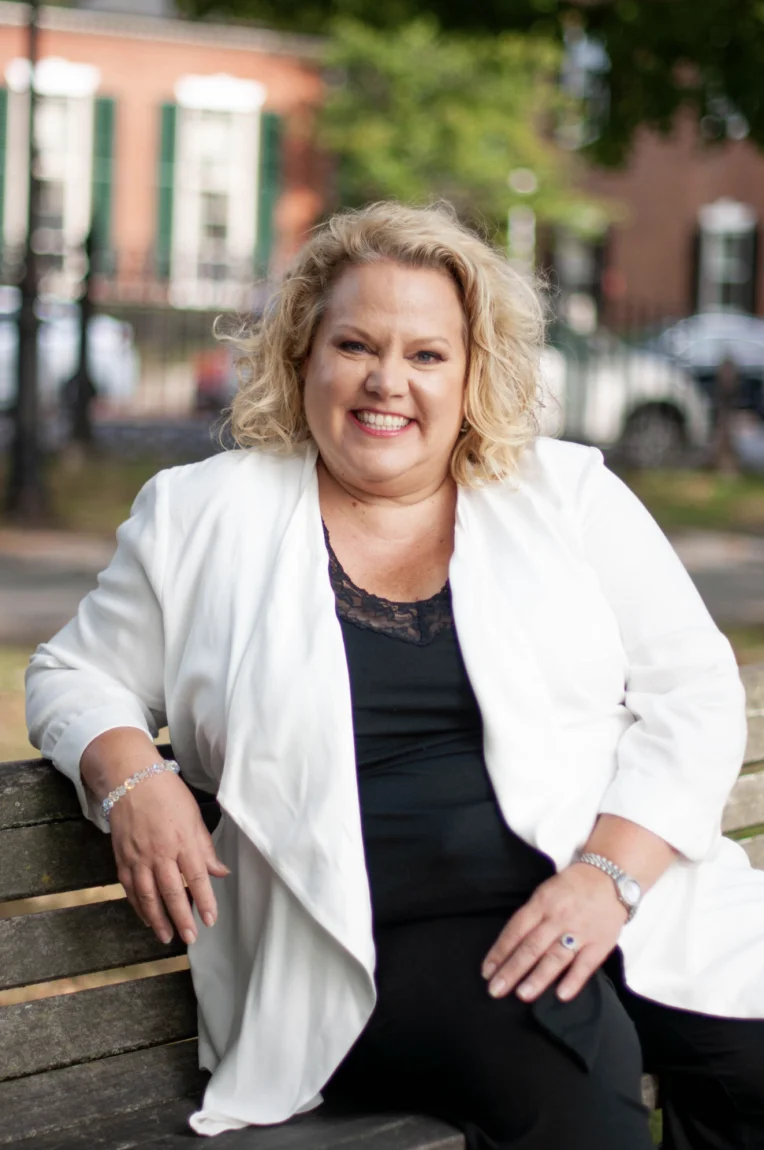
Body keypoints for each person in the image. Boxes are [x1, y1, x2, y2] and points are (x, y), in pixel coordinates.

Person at [26, 202, 764, 1150]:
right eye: (356, 345)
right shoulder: (202, 516)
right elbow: (70, 672)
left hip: (605, 890)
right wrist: (132, 774)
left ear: (473, 374)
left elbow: (695, 695)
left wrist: (604, 878)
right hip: (369, 945)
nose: (388, 382)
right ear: (304, 356)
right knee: (579, 1074)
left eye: (427, 355)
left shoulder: (566, 496)